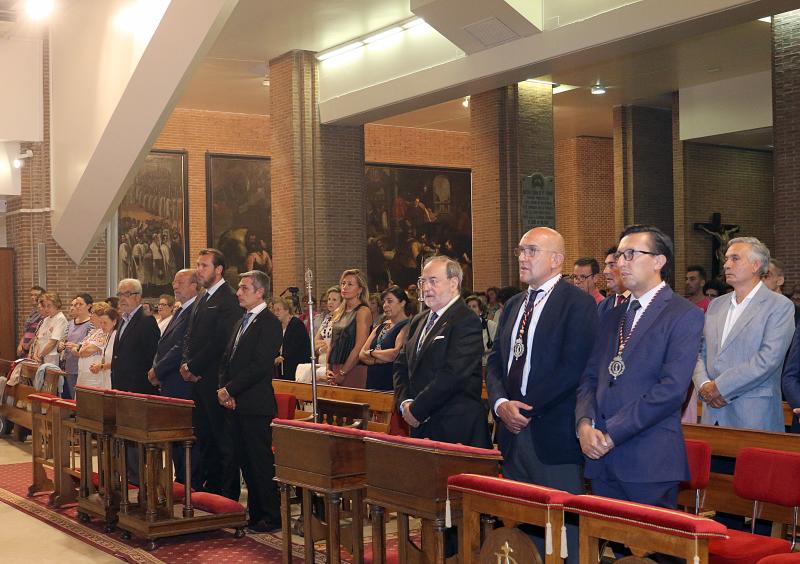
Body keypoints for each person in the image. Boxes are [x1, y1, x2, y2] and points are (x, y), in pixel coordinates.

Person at [486, 227, 598, 562]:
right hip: (512, 433)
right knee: (523, 530)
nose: (522, 257)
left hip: (554, 434)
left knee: (566, 533)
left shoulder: (577, 303)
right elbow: (495, 362)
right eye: (520, 250)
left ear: (556, 260)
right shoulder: (514, 305)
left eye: (531, 250)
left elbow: (574, 366)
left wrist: (525, 408)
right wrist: (501, 403)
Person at [576, 225, 704, 509]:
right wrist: (584, 425)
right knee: (606, 543)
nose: (622, 263)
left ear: (659, 261)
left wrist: (611, 434)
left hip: (648, 460)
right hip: (601, 458)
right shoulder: (612, 313)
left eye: (631, 254)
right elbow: (590, 377)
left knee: (652, 552)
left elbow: (671, 391)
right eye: (620, 255)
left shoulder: (684, 315)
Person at [693, 237, 795, 431]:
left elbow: (767, 359)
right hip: (711, 414)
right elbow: (698, 350)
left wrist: (719, 387)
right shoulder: (716, 305)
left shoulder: (779, 306)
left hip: (753, 414)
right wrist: (704, 385)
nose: (726, 265)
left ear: (756, 265)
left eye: (735, 258)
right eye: (726, 259)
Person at [394, 255, 490, 447]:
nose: (426, 287)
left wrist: (417, 409)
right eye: (423, 281)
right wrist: (405, 403)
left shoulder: (466, 320)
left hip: (454, 426)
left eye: (433, 281)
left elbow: (453, 374)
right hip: (419, 424)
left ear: (453, 283)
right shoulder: (418, 320)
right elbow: (401, 364)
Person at [217, 270, 283, 533]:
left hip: (255, 404)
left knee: (259, 462)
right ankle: (254, 513)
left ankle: (270, 514)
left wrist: (231, 389)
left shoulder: (269, 322)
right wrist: (223, 389)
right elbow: (227, 358)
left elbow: (259, 365)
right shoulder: (242, 320)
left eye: (244, 288)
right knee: (242, 460)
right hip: (235, 402)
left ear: (259, 292)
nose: (238, 292)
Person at [181, 248, 242, 496]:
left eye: (204, 265)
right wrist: (185, 363)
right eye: (198, 264)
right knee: (204, 438)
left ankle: (226, 495)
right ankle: (210, 489)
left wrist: (193, 367)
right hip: (197, 379)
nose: (199, 270)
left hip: (214, 380)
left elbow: (221, 342)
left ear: (219, 269)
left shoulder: (228, 299)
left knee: (221, 440)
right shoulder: (202, 298)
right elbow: (190, 335)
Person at [148, 269, 201, 488]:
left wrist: (158, 371)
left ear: (194, 285)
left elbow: (180, 347)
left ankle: (189, 483)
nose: (174, 286)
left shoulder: (193, 312)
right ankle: (179, 482)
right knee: (173, 437)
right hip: (170, 382)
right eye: (174, 282)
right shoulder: (180, 311)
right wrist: (157, 369)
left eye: (180, 282)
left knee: (184, 437)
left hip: (182, 383)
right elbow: (164, 345)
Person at [111, 279, 160, 393]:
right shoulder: (123, 319)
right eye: (120, 294)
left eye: (127, 294)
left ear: (138, 297)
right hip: (120, 383)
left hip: (138, 386)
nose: (122, 298)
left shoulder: (146, 320)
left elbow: (152, 354)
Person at [326, 269, 372, 388]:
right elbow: (332, 343)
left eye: (350, 284)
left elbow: (359, 346)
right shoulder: (339, 312)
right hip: (335, 367)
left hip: (353, 368)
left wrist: (343, 372)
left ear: (360, 290)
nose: (344, 287)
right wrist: (328, 368)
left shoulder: (362, 311)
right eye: (343, 283)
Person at [359, 286, 411, 390]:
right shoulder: (381, 326)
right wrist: (376, 361)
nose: (385, 305)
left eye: (390, 301)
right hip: (373, 381)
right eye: (384, 302)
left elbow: (395, 353)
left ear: (402, 303)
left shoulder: (408, 325)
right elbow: (361, 354)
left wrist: (371, 353)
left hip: (392, 381)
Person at [59, 293, 94, 398]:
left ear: (89, 306)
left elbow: (91, 342)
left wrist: (76, 346)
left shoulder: (91, 323)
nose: (77, 306)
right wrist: (61, 345)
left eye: (80, 304)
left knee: (83, 396)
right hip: (70, 364)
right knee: (72, 395)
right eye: (76, 304)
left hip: (83, 363)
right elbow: (64, 339)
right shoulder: (70, 323)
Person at [76, 302, 118, 389]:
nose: (102, 325)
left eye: (105, 323)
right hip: (91, 373)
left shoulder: (114, 335)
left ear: (114, 322)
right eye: (101, 323)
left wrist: (101, 366)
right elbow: (79, 349)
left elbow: (84, 351)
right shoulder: (98, 332)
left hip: (99, 376)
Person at [272, 297, 310, 381]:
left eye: (278, 310)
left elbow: (295, 346)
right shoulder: (278, 326)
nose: (275, 313)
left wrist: (282, 357)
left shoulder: (296, 324)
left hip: (298, 367)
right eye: (274, 310)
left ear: (287, 310)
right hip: (283, 367)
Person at [29, 293, 68, 365]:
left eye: (49, 306)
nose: (46, 309)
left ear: (56, 305)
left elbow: (52, 342)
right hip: (40, 357)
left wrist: (41, 356)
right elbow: (38, 339)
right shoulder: (46, 319)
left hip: (52, 359)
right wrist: (35, 354)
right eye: (45, 306)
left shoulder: (60, 319)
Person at [313, 286, 342, 373]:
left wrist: (327, 346)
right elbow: (315, 342)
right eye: (329, 299)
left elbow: (337, 344)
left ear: (342, 302)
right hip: (322, 361)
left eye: (334, 300)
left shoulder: (343, 319)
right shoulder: (327, 318)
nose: (330, 302)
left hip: (335, 363)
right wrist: (322, 348)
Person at [465, 295, 497, 369]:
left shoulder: (490, 325)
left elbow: (497, 346)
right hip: (468, 367)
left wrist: (483, 352)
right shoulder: (460, 327)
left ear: (481, 311)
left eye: (474, 306)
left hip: (487, 366)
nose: (471, 309)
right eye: (468, 307)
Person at [597, 247, 630, 317]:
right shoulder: (603, 306)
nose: (605, 272)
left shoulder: (638, 302)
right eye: (605, 266)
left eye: (611, 265)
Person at [16, 286, 45, 358]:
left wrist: (27, 347)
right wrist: (21, 344)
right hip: (25, 348)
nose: (32, 297)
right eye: (31, 295)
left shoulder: (44, 314)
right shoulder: (32, 313)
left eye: (35, 295)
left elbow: (38, 334)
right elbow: (27, 331)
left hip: (33, 349)